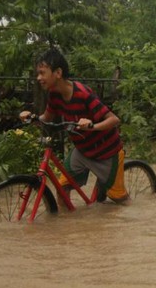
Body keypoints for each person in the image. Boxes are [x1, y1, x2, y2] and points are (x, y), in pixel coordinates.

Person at [19, 48, 129, 204]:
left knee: (120, 200)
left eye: (42, 73)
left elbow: (114, 120)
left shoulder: (83, 93)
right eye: (38, 73)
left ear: (57, 73)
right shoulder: (54, 94)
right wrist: (32, 117)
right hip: (82, 151)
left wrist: (92, 126)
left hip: (107, 153)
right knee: (61, 188)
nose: (38, 78)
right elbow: (46, 118)